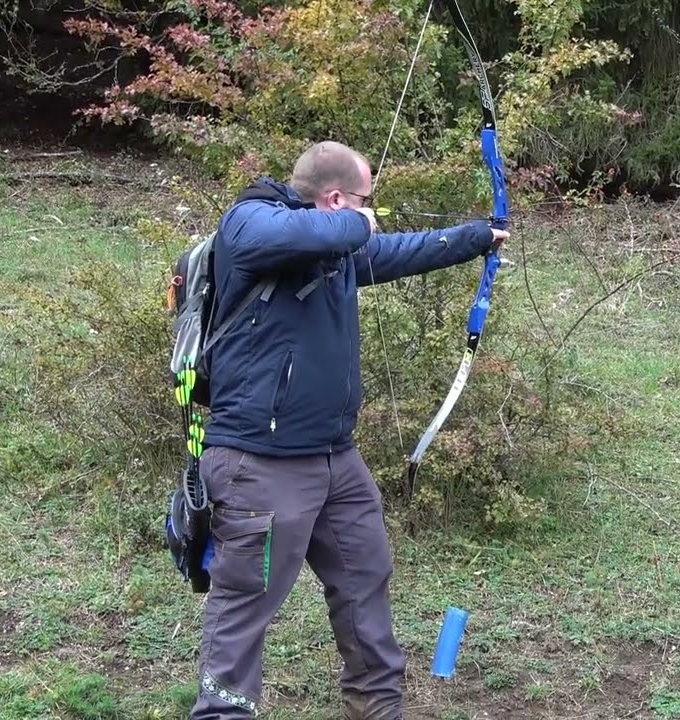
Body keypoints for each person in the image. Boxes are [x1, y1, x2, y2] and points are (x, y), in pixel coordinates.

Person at [190, 140, 507, 719]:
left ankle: (376, 710)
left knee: (365, 581)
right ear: (334, 199)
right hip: (258, 466)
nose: (372, 213)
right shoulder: (251, 221)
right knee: (244, 608)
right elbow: (322, 234)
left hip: (336, 461)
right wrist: (354, 224)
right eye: (365, 201)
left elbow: (395, 250)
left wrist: (477, 237)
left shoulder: (334, 246)